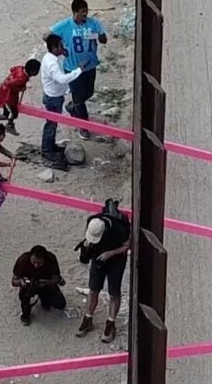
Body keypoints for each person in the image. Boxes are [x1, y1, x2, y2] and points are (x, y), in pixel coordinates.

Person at [52, 0, 108, 136]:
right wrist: (60, 50)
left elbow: (104, 39)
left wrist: (97, 35)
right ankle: (83, 127)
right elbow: (47, 35)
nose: (85, 14)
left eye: (86, 11)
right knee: (79, 99)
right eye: (82, 11)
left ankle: (72, 107)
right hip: (73, 68)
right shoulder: (64, 26)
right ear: (74, 12)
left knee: (88, 93)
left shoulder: (93, 23)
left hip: (90, 66)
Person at [75, 205, 130, 344]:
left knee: (114, 292)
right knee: (93, 289)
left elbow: (128, 245)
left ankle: (111, 322)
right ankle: (88, 318)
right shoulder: (92, 221)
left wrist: (110, 253)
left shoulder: (118, 229)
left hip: (116, 260)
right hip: (98, 257)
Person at [38, 33, 76, 171]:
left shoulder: (50, 57)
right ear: (54, 48)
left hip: (53, 95)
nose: (63, 47)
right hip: (53, 98)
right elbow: (62, 79)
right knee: (51, 124)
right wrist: (79, 70)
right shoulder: (52, 63)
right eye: (61, 46)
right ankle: (47, 150)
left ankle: (50, 146)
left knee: (52, 124)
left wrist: (63, 53)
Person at [12, 244, 67, 324]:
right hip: (28, 285)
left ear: (45, 259)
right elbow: (13, 281)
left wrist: (45, 282)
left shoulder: (51, 259)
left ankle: (45, 299)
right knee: (25, 296)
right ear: (30, 257)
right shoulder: (23, 260)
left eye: (39, 263)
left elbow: (56, 278)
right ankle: (26, 314)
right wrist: (21, 282)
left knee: (60, 304)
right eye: (33, 262)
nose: (36, 265)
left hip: (46, 284)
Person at [0, 58, 41, 132]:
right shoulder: (22, 79)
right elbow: (12, 85)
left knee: (7, 112)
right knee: (13, 113)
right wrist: (21, 89)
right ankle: (0, 120)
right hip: (9, 97)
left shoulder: (20, 68)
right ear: (33, 71)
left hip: (3, 89)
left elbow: (12, 69)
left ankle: (4, 122)